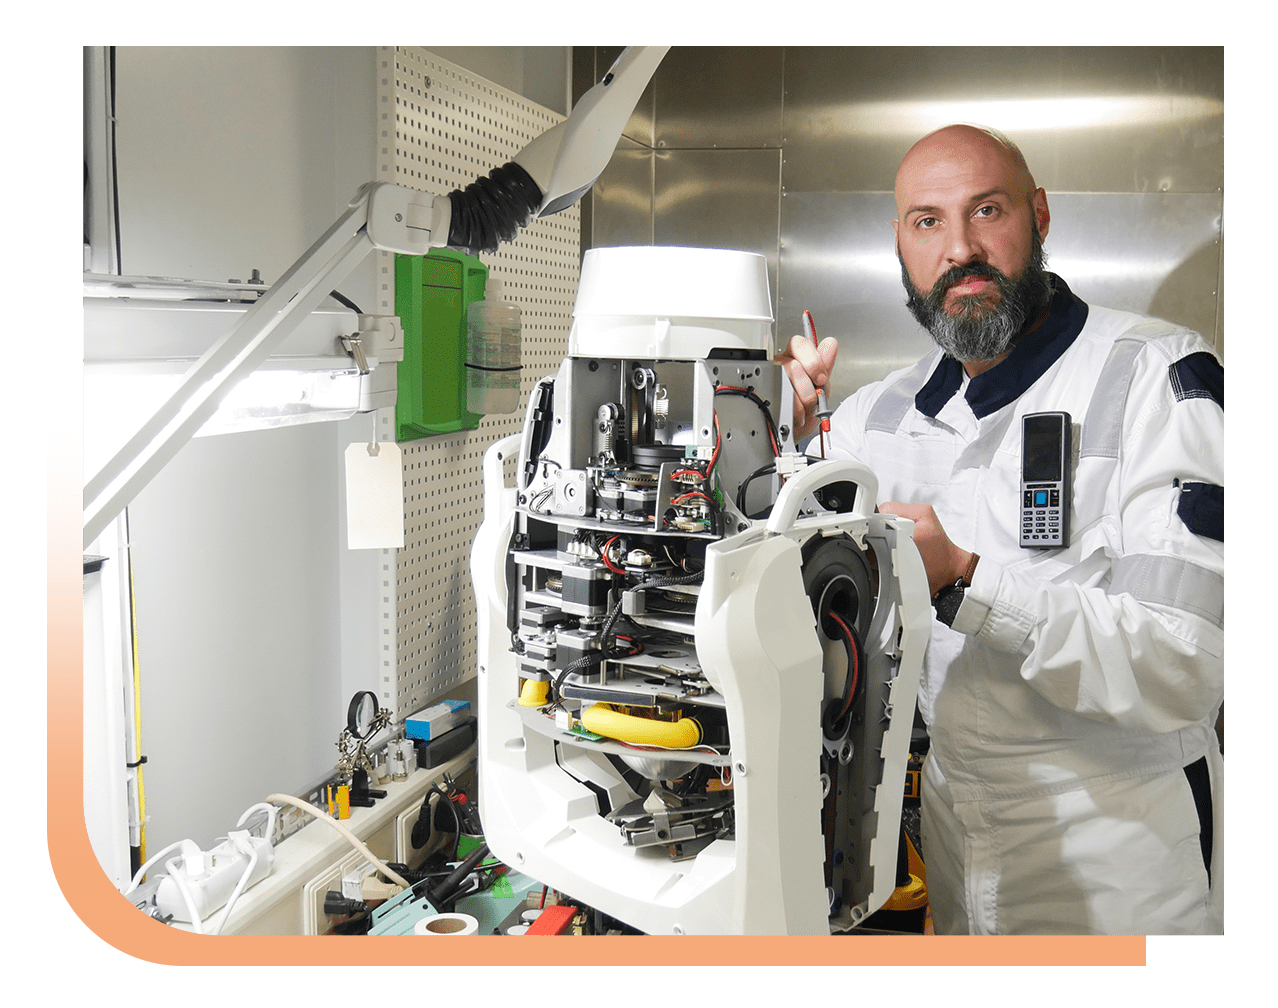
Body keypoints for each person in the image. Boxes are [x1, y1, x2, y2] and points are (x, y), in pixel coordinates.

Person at [779, 123, 1224, 936]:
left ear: (1039, 215)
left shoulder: (1158, 375)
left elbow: (1186, 662)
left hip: (1123, 849)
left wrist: (967, 578)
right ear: (900, 245)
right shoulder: (879, 414)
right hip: (953, 835)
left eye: (987, 211)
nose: (960, 248)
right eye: (928, 222)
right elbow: (773, 547)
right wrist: (790, 435)